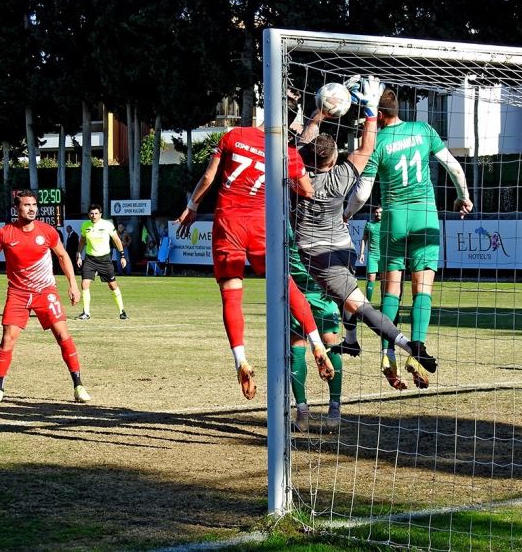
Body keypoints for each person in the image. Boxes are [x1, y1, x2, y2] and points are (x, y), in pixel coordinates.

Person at [174, 92, 334, 401]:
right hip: (262, 227)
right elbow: (308, 191)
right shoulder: (288, 154)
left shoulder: (234, 135)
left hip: (228, 224)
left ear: (266, 113)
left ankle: (241, 359)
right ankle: (316, 342)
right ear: (289, 123)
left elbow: (209, 177)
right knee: (286, 287)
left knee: (231, 294)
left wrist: (193, 206)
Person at [295, 76, 431, 391]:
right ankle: (353, 339)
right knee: (348, 299)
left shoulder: (297, 173)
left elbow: (305, 139)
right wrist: (369, 112)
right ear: (333, 158)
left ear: (309, 157)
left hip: (316, 256)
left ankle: (406, 345)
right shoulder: (343, 175)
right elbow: (367, 147)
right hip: (343, 249)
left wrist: (319, 114)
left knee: (359, 304)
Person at [344, 86, 473, 375]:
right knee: (422, 289)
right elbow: (454, 167)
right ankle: (417, 351)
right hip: (425, 216)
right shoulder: (423, 130)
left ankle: (387, 352)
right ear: (397, 108)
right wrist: (463, 196)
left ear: (378, 114)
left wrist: (346, 214)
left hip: (394, 218)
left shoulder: (376, 142)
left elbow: (363, 193)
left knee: (392, 289)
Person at [0, 190, 91, 405]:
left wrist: (73, 285)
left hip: (45, 292)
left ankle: (78, 386)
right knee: (7, 340)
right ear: (17, 209)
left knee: (62, 335)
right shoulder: (4, 233)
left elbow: (62, 256)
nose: (31, 209)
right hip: (18, 294)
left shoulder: (47, 231)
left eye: (34, 205)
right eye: (26, 205)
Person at [288, 225, 343, 431]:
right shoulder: (283, 217)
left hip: (322, 291)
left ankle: (334, 407)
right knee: (296, 347)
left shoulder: (320, 214)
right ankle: (302, 411)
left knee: (329, 342)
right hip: (295, 290)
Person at [76, 204, 128, 320]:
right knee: (84, 283)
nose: (93, 216)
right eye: (91, 213)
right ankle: (86, 313)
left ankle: (122, 311)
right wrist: (79, 255)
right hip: (90, 259)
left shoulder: (107, 225)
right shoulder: (85, 225)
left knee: (112, 285)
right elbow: (82, 241)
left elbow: (117, 240)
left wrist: (122, 256)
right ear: (89, 214)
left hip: (105, 259)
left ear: (100, 214)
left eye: (96, 213)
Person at [359, 205, 383, 302]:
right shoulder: (369, 224)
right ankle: (368, 302)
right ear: (374, 213)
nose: (378, 214)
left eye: (380, 212)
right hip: (372, 255)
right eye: (376, 212)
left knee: (384, 280)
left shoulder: (387, 224)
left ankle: (383, 303)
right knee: (371, 278)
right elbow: (364, 239)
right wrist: (362, 253)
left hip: (383, 256)